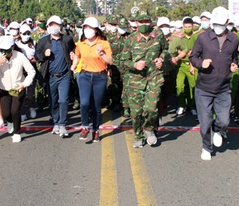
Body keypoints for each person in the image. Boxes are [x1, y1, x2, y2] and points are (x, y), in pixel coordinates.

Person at [190, 7, 239, 161]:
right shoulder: (203, 38)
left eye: (221, 23)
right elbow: (193, 57)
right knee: (205, 122)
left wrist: (234, 64)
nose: (217, 26)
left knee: (224, 120)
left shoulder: (234, 39)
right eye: (215, 23)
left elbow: (234, 57)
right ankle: (206, 147)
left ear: (227, 22)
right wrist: (200, 63)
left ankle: (218, 130)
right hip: (204, 88)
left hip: (223, 88)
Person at [120, 13, 168, 148]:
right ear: (137, 23)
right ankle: (138, 135)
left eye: (146, 22)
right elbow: (123, 61)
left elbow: (165, 50)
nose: (144, 24)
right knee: (136, 113)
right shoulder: (131, 39)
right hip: (135, 80)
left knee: (152, 108)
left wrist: (161, 59)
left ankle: (149, 129)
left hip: (154, 77)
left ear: (151, 22)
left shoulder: (158, 35)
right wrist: (134, 65)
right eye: (141, 22)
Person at [71, 17, 113, 142]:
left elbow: (110, 61)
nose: (87, 30)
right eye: (85, 27)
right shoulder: (80, 44)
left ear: (96, 30)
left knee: (96, 105)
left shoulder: (104, 44)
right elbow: (77, 57)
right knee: (84, 103)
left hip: (100, 77)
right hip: (84, 75)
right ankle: (85, 126)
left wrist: (101, 53)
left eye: (90, 27)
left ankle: (95, 130)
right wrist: (73, 66)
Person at [0, 36, 36, 143]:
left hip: (17, 88)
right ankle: (9, 122)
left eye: (6, 50)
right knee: (6, 114)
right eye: (2, 50)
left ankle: (16, 132)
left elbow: (31, 71)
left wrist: (24, 84)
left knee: (15, 111)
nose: (4, 53)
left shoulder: (20, 56)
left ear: (12, 47)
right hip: (4, 89)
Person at [35, 15, 76, 138]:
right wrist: (44, 54)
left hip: (64, 75)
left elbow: (74, 50)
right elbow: (37, 56)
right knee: (53, 101)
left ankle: (62, 124)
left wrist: (73, 55)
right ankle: (56, 121)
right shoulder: (43, 41)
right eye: (51, 25)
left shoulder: (67, 39)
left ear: (60, 27)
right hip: (50, 76)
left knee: (63, 100)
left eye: (56, 25)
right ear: (47, 27)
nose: (54, 27)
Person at [170, 17, 199, 117]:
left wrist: (192, 65)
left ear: (192, 26)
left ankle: (193, 106)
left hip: (192, 65)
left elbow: (195, 53)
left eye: (189, 27)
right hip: (181, 65)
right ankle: (181, 105)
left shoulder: (195, 37)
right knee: (179, 86)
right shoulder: (179, 36)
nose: (187, 28)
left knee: (193, 87)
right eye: (185, 27)